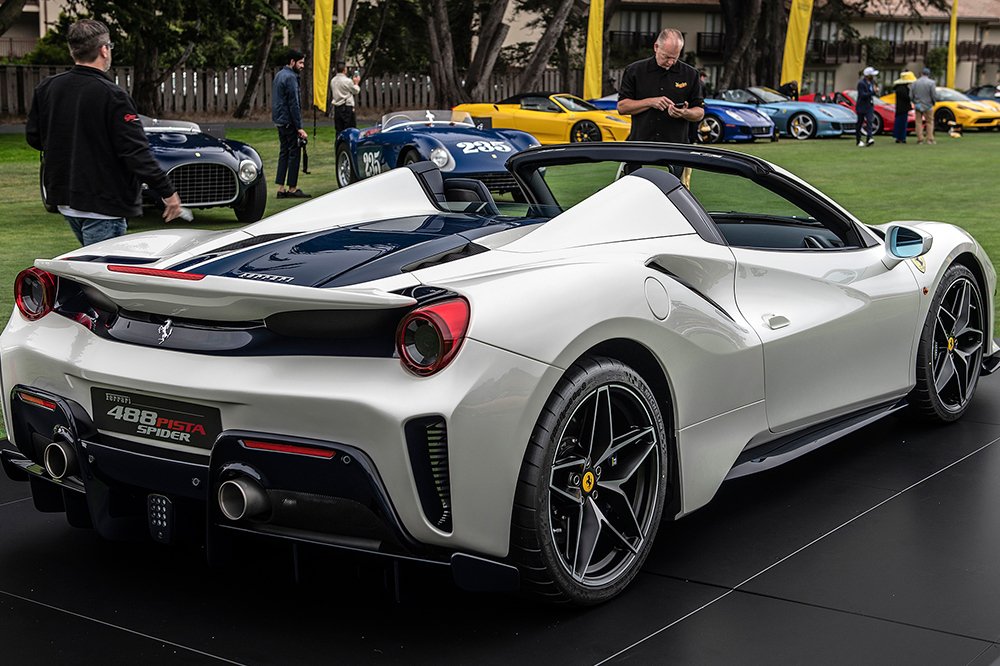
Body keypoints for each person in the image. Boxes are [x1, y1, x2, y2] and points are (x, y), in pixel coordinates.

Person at [25, 19, 182, 246]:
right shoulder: (113, 96)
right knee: (101, 274)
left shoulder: (48, 88)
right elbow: (136, 152)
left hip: (66, 199)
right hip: (104, 204)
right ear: (104, 49)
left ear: (73, 51)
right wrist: (169, 193)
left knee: (91, 266)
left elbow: (35, 138)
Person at [618, 28, 705, 145]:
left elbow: (699, 112)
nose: (670, 62)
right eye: (666, 57)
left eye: (674, 57)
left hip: (676, 146)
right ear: (656, 47)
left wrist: (684, 113)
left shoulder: (691, 74)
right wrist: (650, 102)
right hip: (641, 145)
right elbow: (622, 108)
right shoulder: (635, 71)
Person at [272, 48, 310, 198]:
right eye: (300, 63)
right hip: (289, 121)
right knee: (294, 153)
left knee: (284, 153)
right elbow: (294, 103)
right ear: (292, 62)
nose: (302, 66)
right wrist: (299, 127)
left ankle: (281, 188)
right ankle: (292, 188)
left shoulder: (279, 75)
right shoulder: (291, 78)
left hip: (280, 120)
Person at [330, 62, 361, 136]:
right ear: (345, 70)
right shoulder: (347, 81)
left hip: (337, 107)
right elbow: (355, 91)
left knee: (339, 129)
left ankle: (339, 145)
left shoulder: (333, 80)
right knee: (349, 129)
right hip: (346, 106)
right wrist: (356, 83)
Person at [911, 67, 938, 145]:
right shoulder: (931, 83)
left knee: (918, 122)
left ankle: (920, 139)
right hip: (928, 105)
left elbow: (911, 95)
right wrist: (933, 102)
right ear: (928, 74)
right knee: (929, 122)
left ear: (921, 73)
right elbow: (933, 95)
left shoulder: (915, 83)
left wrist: (915, 102)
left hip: (918, 105)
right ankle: (930, 139)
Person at [855, 66, 879, 147]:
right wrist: (873, 92)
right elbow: (863, 95)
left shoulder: (872, 82)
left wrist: (875, 92)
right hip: (862, 106)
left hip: (869, 105)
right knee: (860, 123)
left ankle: (869, 138)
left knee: (870, 121)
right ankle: (858, 140)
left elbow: (872, 92)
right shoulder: (861, 83)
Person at [891, 70, 916, 144]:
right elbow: (906, 97)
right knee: (902, 123)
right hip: (903, 108)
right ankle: (901, 138)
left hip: (900, 108)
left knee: (900, 123)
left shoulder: (899, 88)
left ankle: (899, 137)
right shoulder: (902, 89)